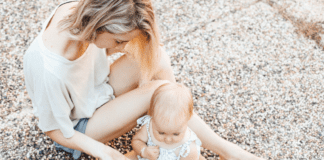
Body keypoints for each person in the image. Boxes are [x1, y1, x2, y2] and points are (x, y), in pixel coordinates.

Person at [23, 0, 264, 159]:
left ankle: (171, 124)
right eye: (119, 41)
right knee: (158, 91)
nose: (123, 47)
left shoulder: (80, 11)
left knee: (156, 57)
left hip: (97, 90)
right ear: (98, 26)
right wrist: (106, 153)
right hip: (79, 127)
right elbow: (55, 130)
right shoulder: (49, 69)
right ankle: (221, 149)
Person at [132, 82, 206, 160]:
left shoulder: (188, 148)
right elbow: (137, 140)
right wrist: (143, 151)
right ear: (152, 117)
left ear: (187, 120)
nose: (168, 139)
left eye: (175, 134)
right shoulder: (149, 126)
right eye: (161, 133)